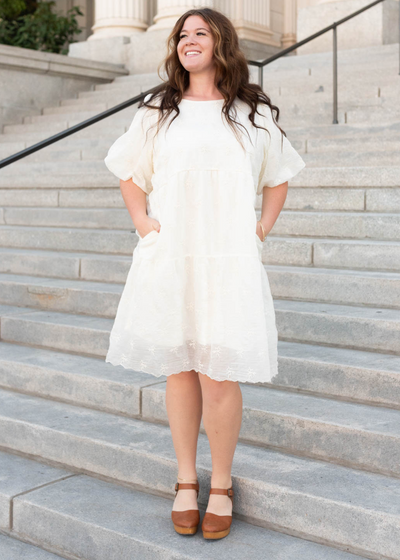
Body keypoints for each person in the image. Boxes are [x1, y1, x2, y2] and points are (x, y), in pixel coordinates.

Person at [104, 7, 306, 541]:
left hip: (228, 258)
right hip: (173, 255)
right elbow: (127, 169)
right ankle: (185, 481)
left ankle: (221, 483)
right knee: (179, 366)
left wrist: (259, 230)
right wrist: (144, 223)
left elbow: (280, 175)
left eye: (201, 33)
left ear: (222, 43)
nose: (189, 40)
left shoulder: (250, 111)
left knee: (219, 375)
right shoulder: (156, 110)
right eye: (183, 34)